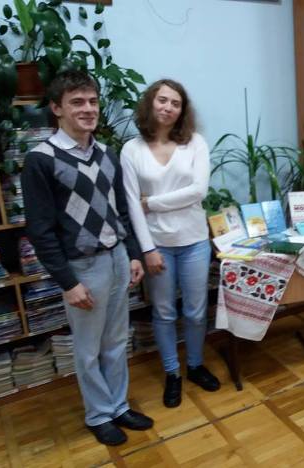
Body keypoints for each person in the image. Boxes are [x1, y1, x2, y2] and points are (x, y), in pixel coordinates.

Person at [21, 70, 153, 446]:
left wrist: (132, 253)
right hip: (83, 267)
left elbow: (120, 209)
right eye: (77, 102)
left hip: (116, 259)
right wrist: (68, 282)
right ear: (56, 108)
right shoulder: (41, 160)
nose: (88, 109)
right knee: (89, 347)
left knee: (116, 340)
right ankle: (98, 414)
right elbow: (40, 230)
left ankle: (119, 406)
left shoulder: (106, 153)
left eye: (93, 101)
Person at [121, 79, 220, 409]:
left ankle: (195, 365)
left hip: (194, 241)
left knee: (195, 311)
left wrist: (152, 203)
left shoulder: (195, 143)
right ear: (150, 103)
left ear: (182, 111)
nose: (168, 107)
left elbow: (198, 191)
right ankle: (172, 373)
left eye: (175, 103)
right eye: (162, 100)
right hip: (157, 245)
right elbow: (131, 204)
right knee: (163, 313)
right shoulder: (131, 150)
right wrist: (147, 249)